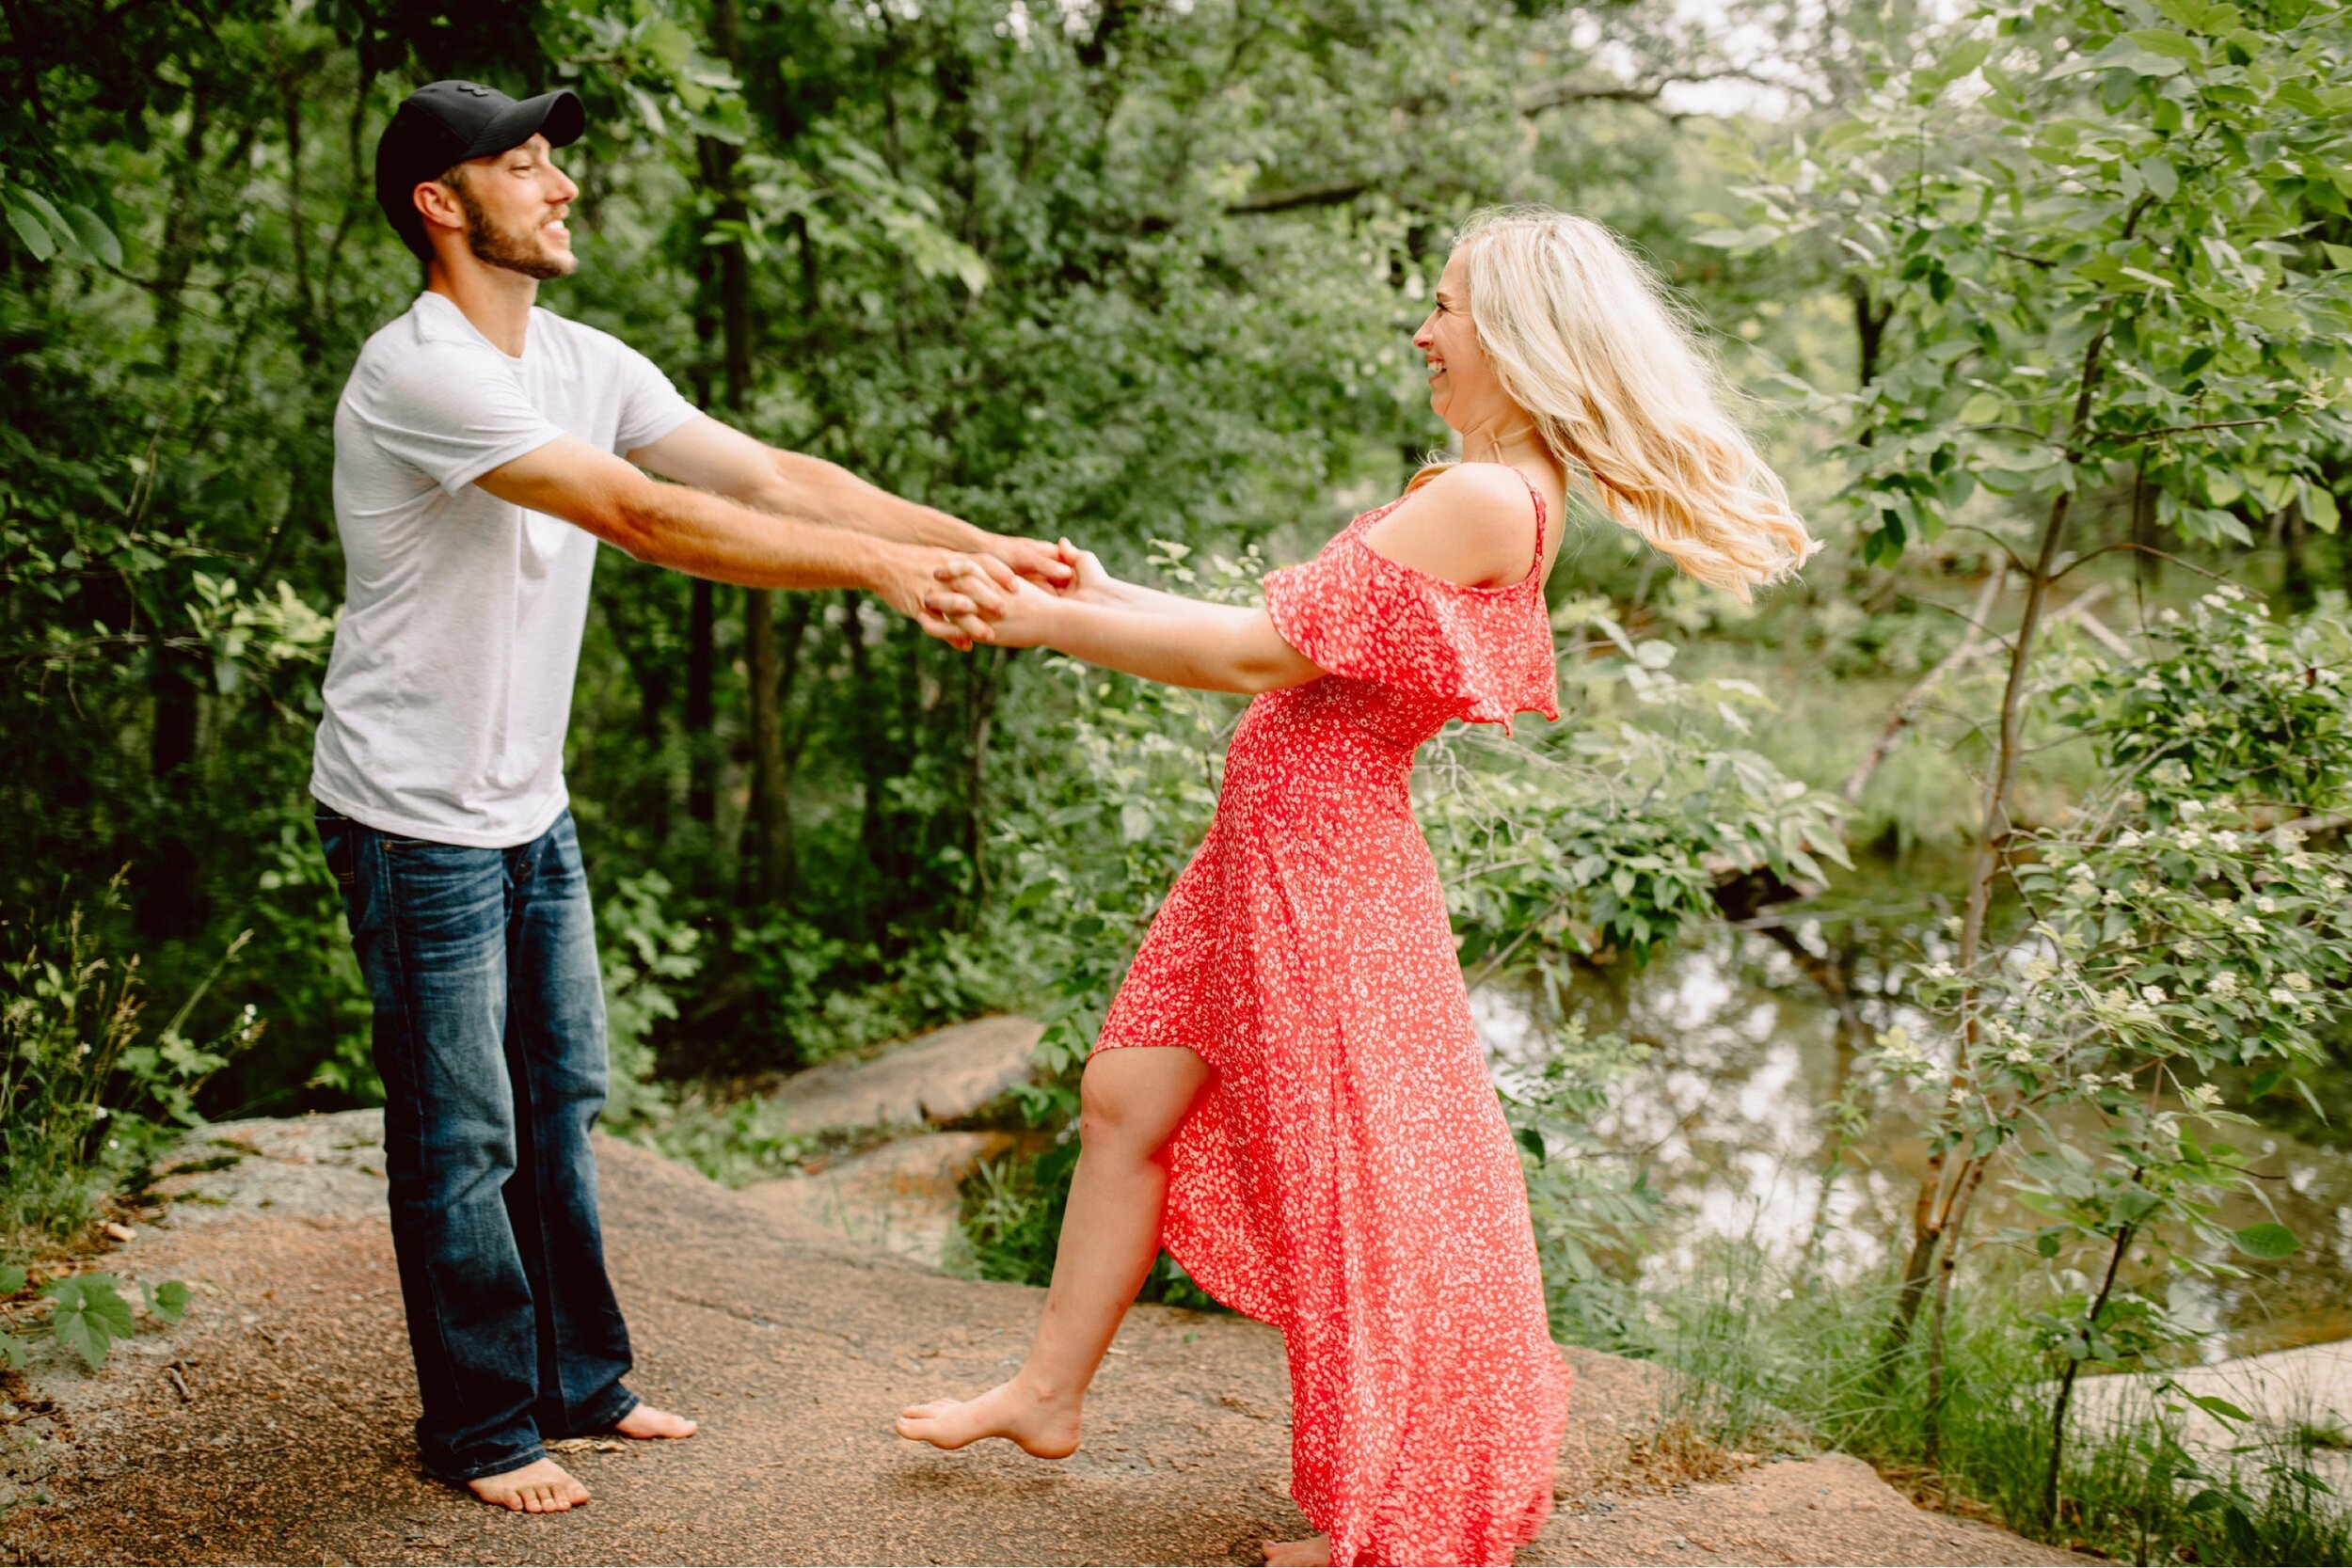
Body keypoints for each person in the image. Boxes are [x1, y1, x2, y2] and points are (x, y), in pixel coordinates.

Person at [897, 206, 1816, 1565]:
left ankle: (1403, 1506)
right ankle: (1046, 1397)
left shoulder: (1486, 498)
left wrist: (1047, 621)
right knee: (1122, 1101)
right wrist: (1111, 589)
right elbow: (1282, 639)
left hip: (1322, 862)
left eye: (1445, 306)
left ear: (1512, 330)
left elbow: (1256, 662)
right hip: (1272, 842)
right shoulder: (1482, 487)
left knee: (1366, 1183)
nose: (1425, 330)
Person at [312, 79, 1064, 1515]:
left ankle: (578, 1386)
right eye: (523, 165)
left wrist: (976, 543)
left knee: (562, 1098)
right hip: (413, 814)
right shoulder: (417, 370)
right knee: (464, 1133)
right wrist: (882, 574)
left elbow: (776, 474)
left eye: (555, 161)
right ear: (441, 202)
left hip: (528, 802)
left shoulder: (587, 360)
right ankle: (481, 1429)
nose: (562, 185)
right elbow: (641, 516)